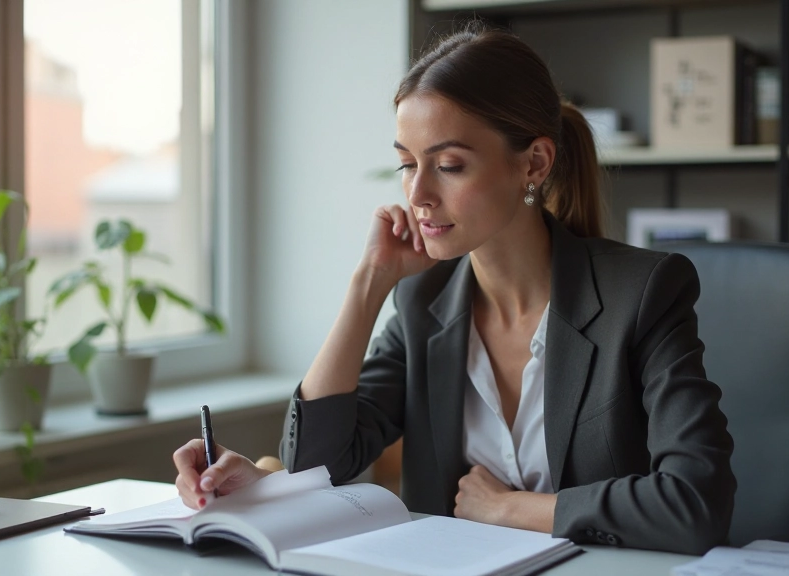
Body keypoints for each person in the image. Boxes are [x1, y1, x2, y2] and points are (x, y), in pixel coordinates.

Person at [174, 23, 735, 555]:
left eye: (448, 165)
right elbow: (316, 463)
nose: (418, 193)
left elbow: (696, 504)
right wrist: (369, 283)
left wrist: (512, 509)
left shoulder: (641, 294)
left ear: (534, 163)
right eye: (407, 164)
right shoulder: (425, 303)